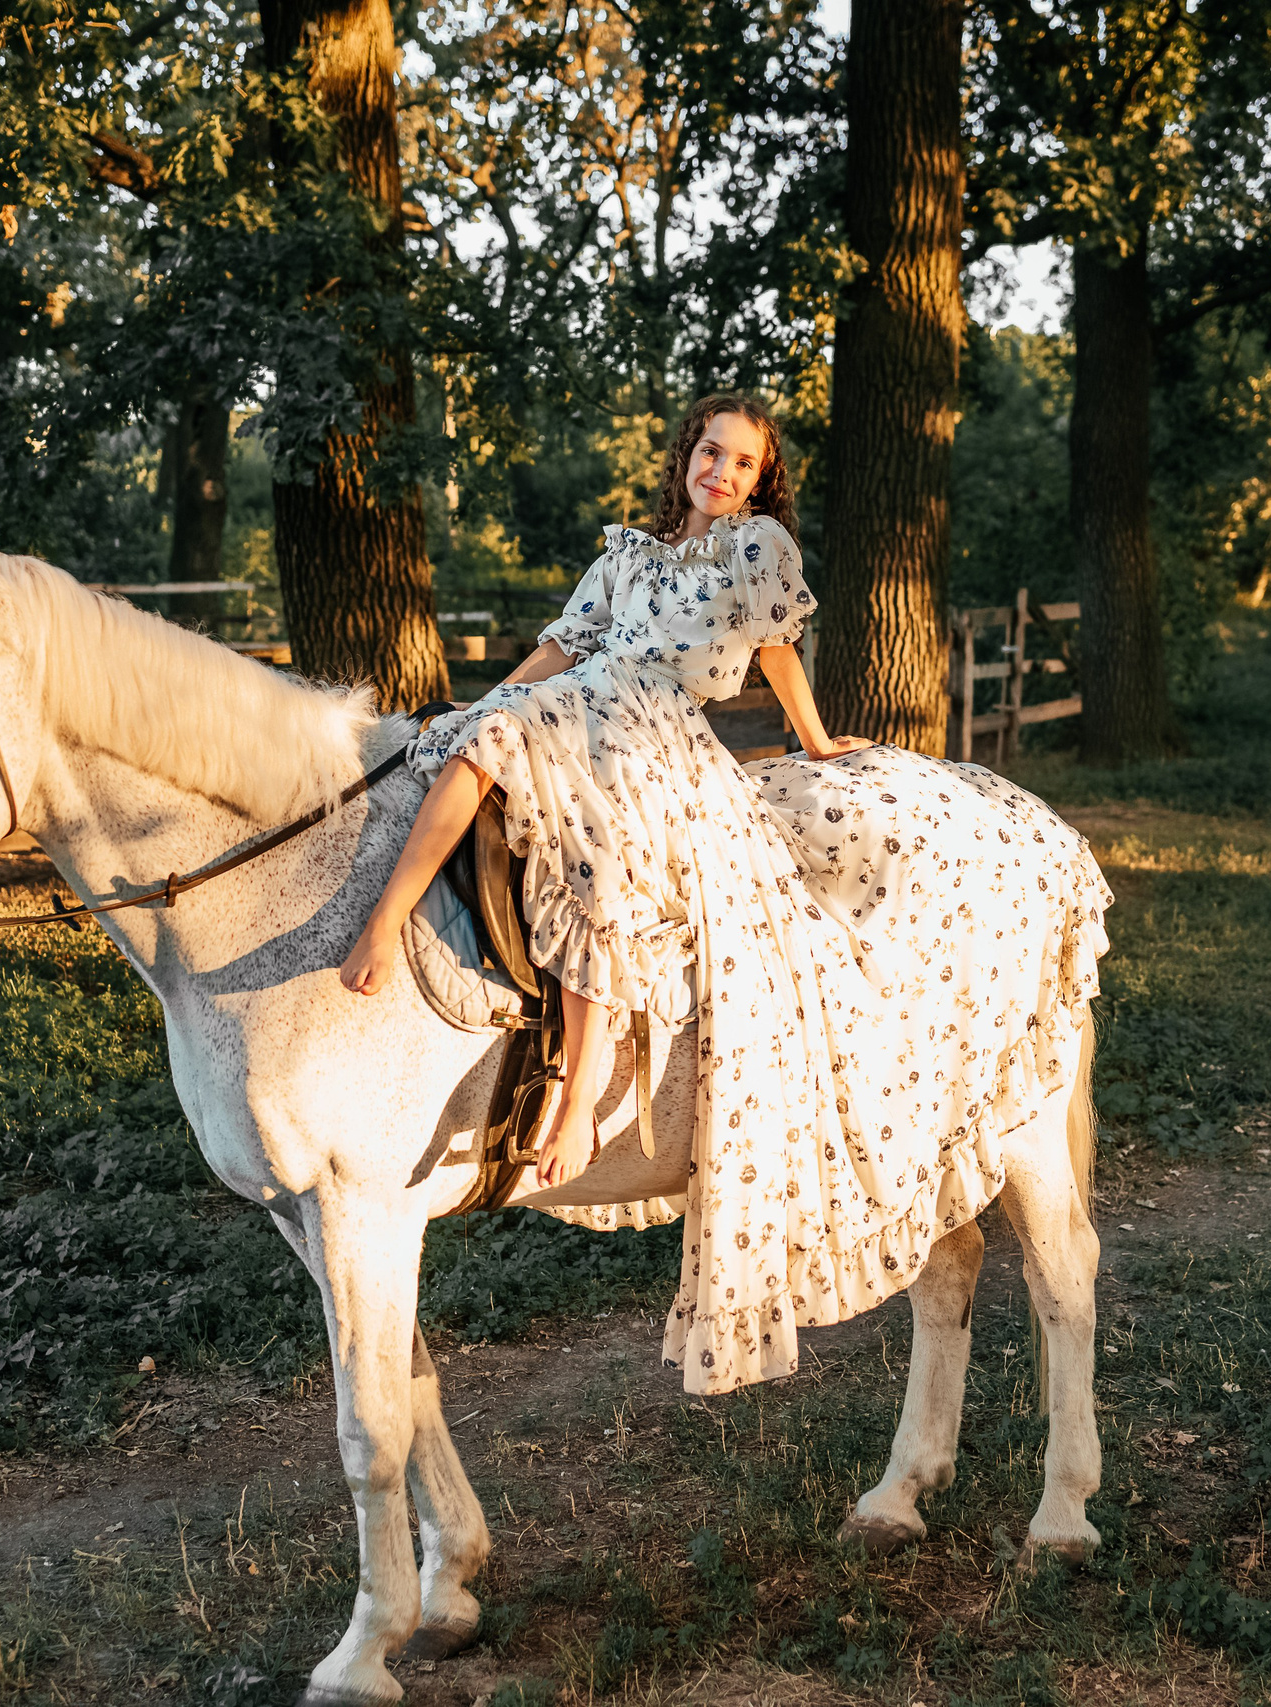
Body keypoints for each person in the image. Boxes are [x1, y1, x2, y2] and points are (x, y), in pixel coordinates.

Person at [342, 394, 1109, 1393]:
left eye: (744, 463)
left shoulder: (757, 552)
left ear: (758, 479)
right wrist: (487, 701)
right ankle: (386, 922)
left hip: (662, 738)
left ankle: (574, 1097)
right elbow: (561, 648)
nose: (724, 472)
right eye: (713, 453)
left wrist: (818, 737)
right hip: (581, 705)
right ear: (687, 456)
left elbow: (778, 650)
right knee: (471, 749)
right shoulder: (627, 554)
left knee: (601, 853)